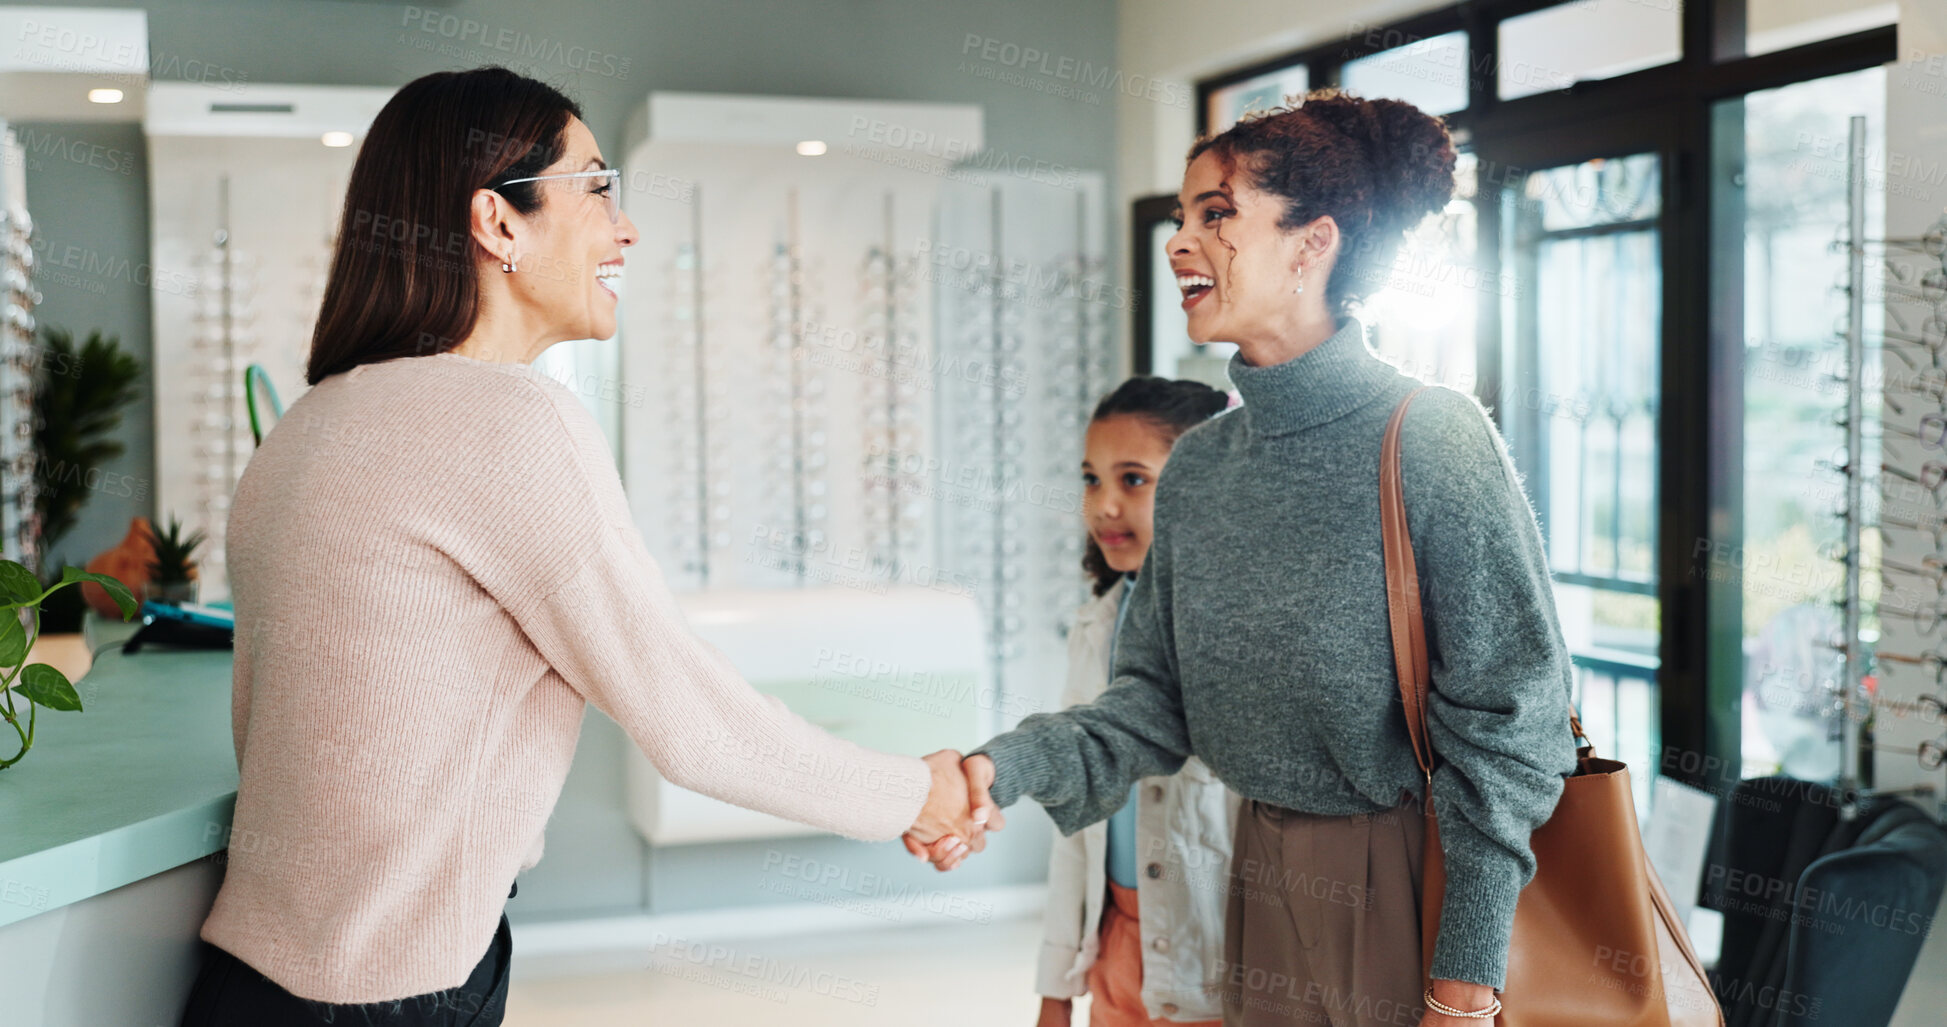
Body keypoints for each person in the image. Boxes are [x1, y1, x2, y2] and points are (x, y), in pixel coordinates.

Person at [177, 66, 982, 1026]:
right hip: (389, 988)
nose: (625, 227)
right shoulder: (508, 420)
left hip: (254, 979)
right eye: (596, 187)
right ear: (497, 222)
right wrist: (912, 793)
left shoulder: (311, 420)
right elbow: (688, 716)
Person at [917, 88, 1580, 1027]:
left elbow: (1511, 725)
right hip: (1255, 873)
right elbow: (1151, 706)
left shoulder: (1428, 436)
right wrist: (994, 770)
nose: (1179, 242)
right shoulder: (1200, 469)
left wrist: (1464, 981)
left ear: (1314, 242)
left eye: (1216, 215)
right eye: (1183, 217)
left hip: (1415, 888)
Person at [1038, 377, 1237, 1027]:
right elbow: (1075, 822)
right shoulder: (1096, 623)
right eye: (1091, 480)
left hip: (1217, 965)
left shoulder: (1240, 634)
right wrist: (1056, 987)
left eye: (1132, 479)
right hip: (1117, 948)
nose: (1103, 506)